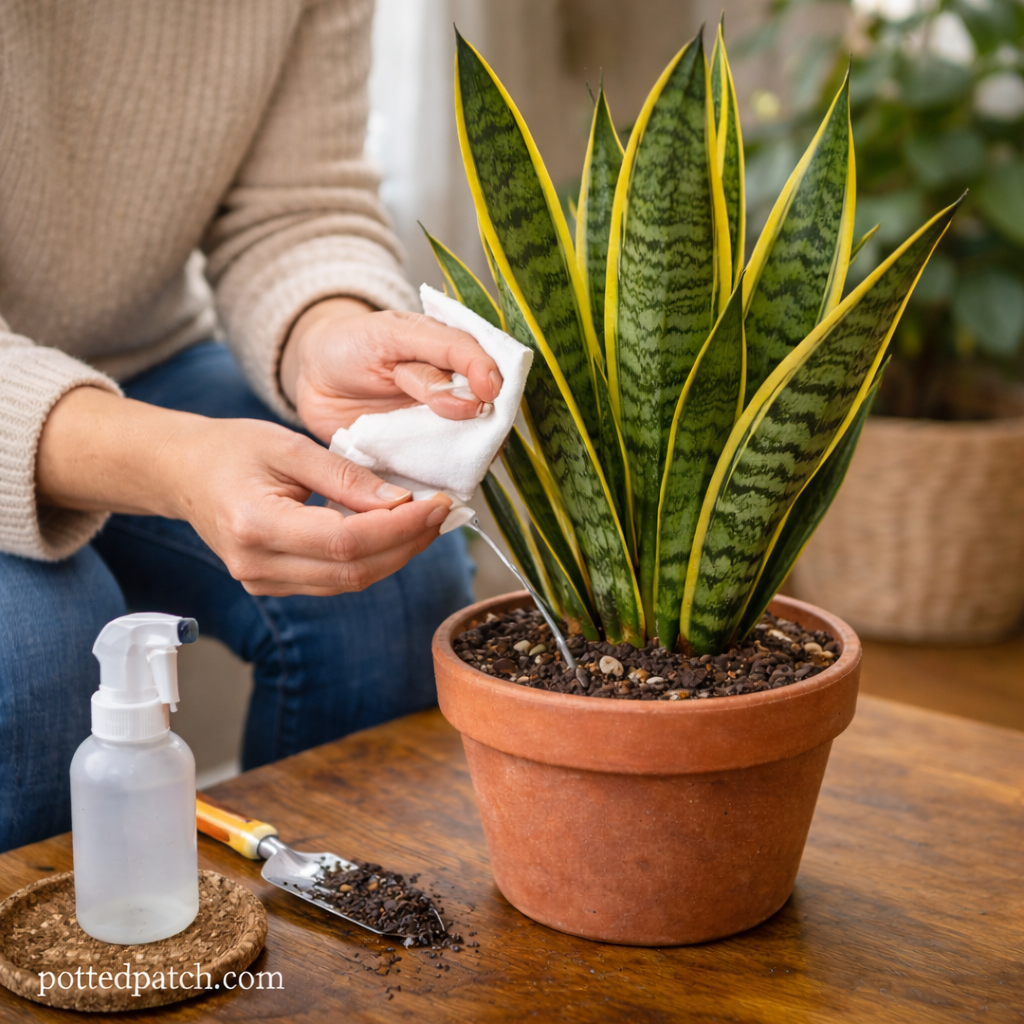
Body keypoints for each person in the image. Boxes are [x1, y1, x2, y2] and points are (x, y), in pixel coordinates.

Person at [0, 0, 500, 853]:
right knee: (40, 656)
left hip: (141, 357)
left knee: (398, 584)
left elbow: (292, 205)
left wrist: (325, 331)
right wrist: (172, 459)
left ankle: (316, 969)